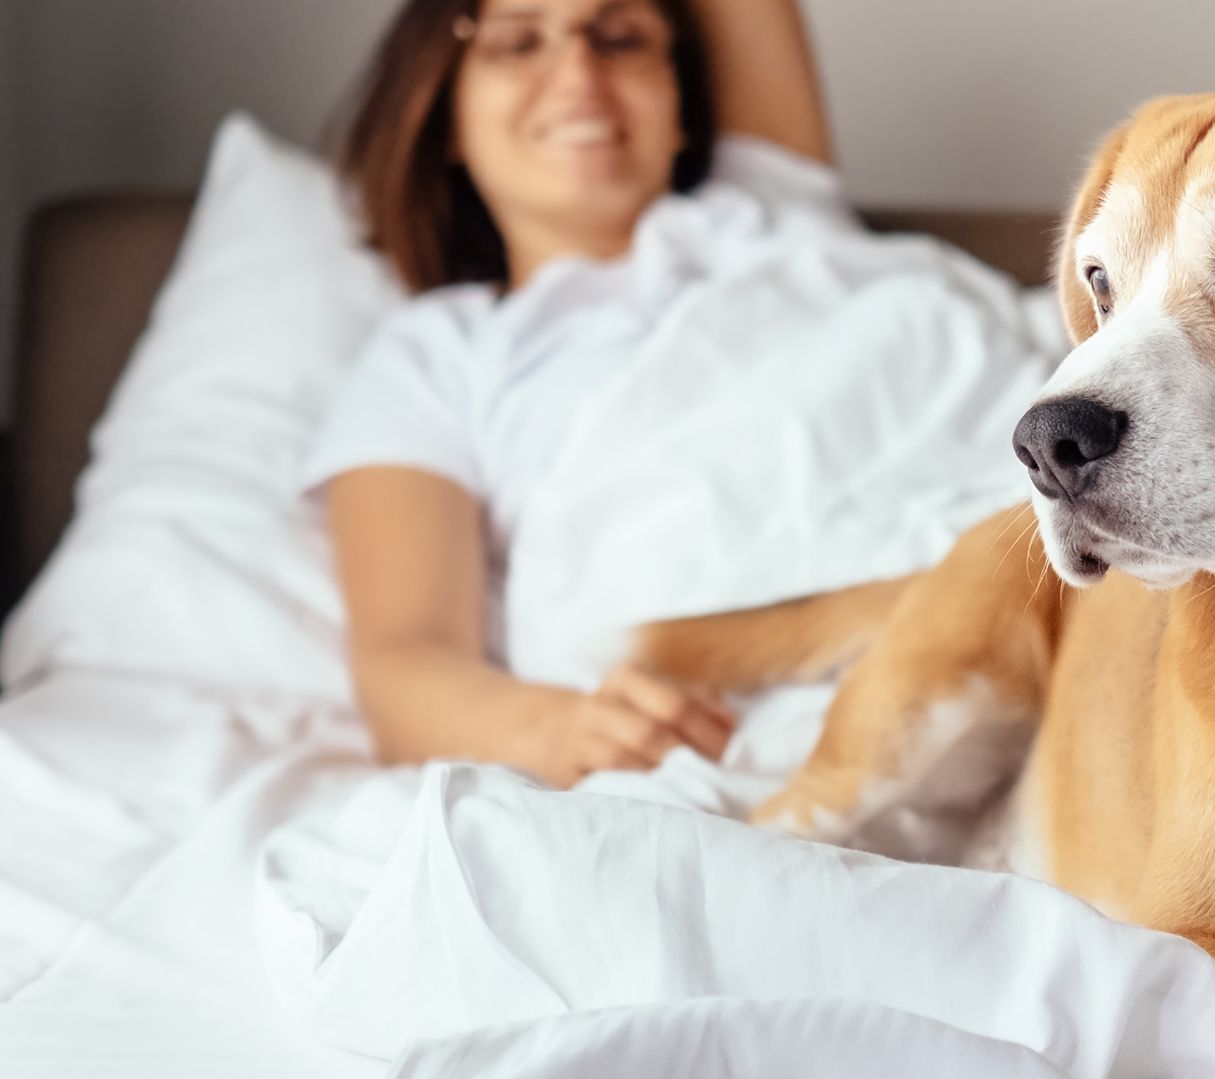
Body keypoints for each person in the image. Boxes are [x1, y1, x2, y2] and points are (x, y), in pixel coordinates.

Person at [302, 0, 836, 788]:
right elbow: (403, 660)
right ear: (447, 114)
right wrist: (570, 729)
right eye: (518, 43)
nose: (579, 74)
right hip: (732, 727)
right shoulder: (438, 352)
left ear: (682, 107)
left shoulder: (778, 219)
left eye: (619, 39)